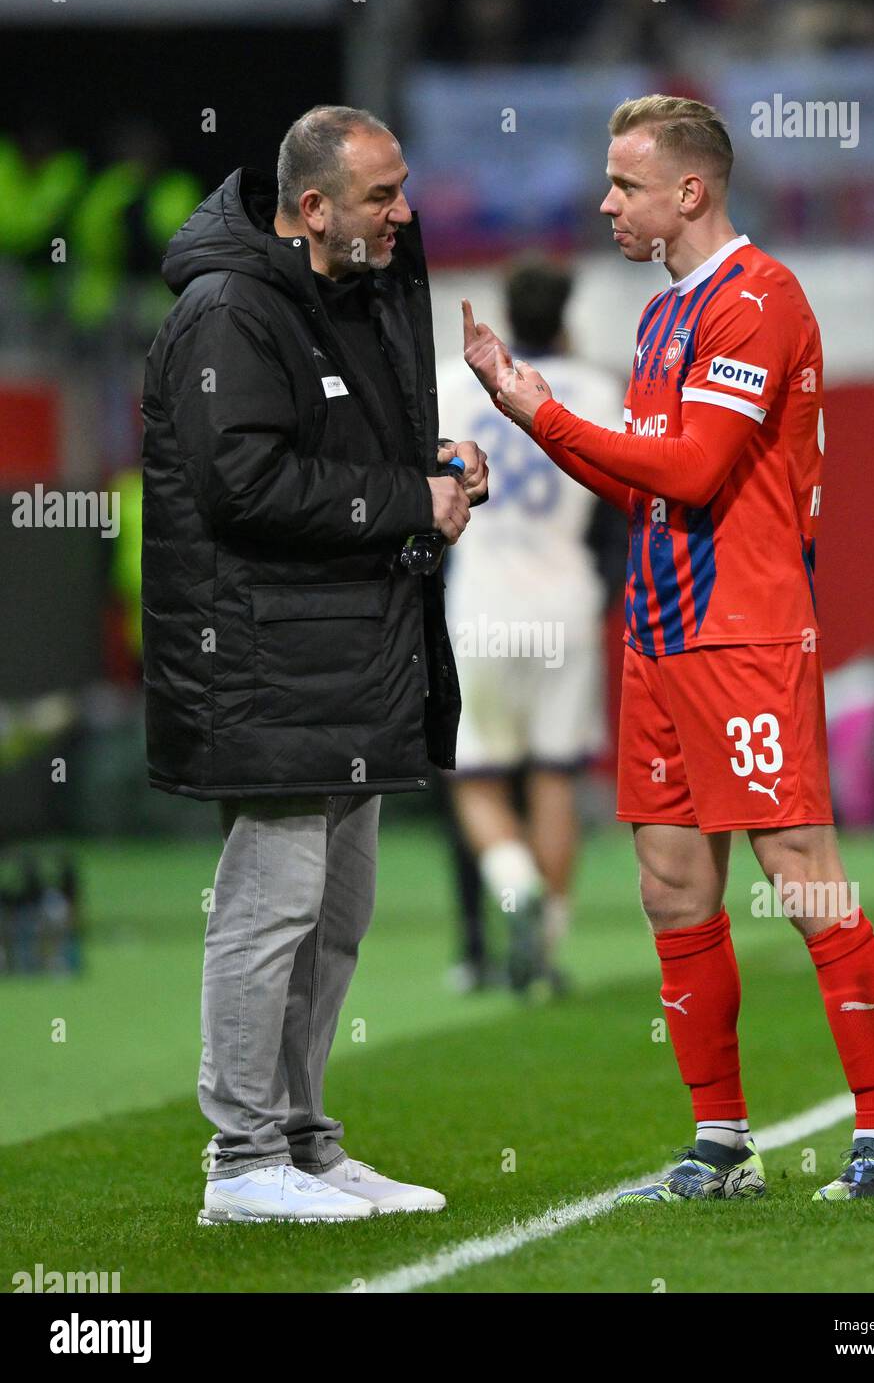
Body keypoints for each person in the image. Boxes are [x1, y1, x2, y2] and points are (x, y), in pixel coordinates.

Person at [462, 94, 874, 1203]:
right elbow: (637, 479)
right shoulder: (664, 317)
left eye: (624, 184)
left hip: (747, 631)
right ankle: (722, 1138)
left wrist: (544, 413)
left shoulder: (760, 300)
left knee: (800, 876)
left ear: (690, 191)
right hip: (658, 632)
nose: (607, 202)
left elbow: (698, 469)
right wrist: (531, 412)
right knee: (671, 882)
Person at [141, 105, 488, 1224]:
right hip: (265, 663)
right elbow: (242, 484)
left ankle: (302, 1140)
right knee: (270, 910)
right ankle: (241, 1160)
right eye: (383, 195)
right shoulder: (228, 308)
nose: (404, 213)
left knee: (337, 913)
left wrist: (431, 467)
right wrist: (406, 500)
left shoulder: (337, 296)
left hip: (342, 655)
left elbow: (327, 457)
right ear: (313, 208)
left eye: (402, 189)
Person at [438, 256, 622, 993]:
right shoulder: (599, 389)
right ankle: (544, 950)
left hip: (481, 603)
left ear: (507, 316)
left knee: (476, 778)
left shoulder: (457, 386)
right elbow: (621, 497)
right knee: (554, 779)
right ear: (568, 313)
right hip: (567, 609)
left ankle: (514, 887)